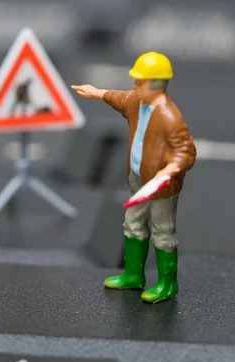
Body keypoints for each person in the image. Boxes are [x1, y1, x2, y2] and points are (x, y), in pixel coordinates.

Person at [71, 52, 196, 303]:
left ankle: (167, 283)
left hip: (161, 186)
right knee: (133, 223)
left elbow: (187, 152)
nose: (135, 86)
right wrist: (96, 93)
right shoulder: (137, 103)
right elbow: (119, 97)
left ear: (156, 84)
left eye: (140, 81)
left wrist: (169, 170)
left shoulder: (169, 117)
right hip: (138, 178)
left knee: (163, 231)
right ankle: (133, 275)